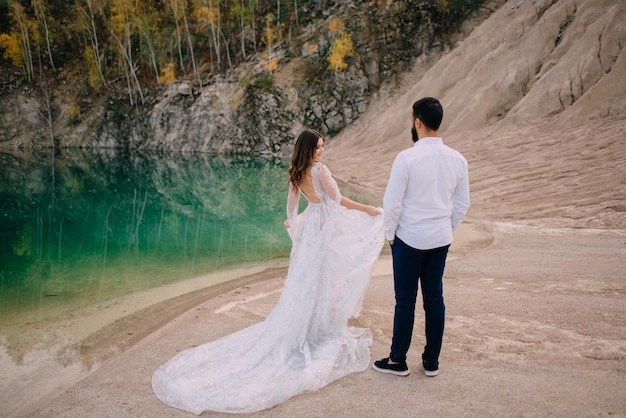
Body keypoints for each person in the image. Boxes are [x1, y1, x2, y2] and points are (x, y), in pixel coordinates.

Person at [152, 129, 385, 414]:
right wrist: (367, 210)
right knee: (323, 278)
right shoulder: (320, 170)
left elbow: (290, 209)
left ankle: (312, 325)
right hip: (323, 228)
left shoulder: (297, 172)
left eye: (323, 147)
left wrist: (296, 226)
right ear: (309, 148)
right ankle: (318, 329)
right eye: (319, 147)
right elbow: (336, 201)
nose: (323, 151)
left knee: (308, 281)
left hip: (312, 227)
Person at [372, 97, 470, 378]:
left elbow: (392, 203)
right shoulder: (457, 159)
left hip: (409, 239)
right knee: (434, 298)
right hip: (439, 239)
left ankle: (397, 360)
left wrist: (390, 235)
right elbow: (462, 204)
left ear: (417, 122)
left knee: (405, 300)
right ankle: (431, 362)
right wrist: (446, 228)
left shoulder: (407, 158)